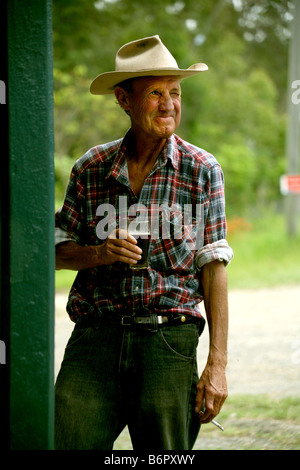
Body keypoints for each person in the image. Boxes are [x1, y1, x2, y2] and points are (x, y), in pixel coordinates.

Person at [54, 35, 233, 450]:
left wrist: (217, 365)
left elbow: (214, 266)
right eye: (155, 93)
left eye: (175, 92)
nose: (169, 104)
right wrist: (97, 254)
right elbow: (57, 252)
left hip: (169, 342)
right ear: (124, 99)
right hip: (94, 341)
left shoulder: (202, 170)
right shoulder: (91, 168)